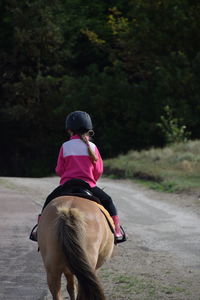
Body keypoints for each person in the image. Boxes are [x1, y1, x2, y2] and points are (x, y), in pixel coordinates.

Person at [30, 111, 127, 243]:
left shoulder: (65, 146)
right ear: (89, 130)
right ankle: (116, 230)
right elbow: (99, 170)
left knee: (48, 201)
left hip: (67, 185)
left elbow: (59, 170)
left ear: (69, 130)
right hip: (88, 185)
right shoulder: (93, 147)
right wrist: (91, 179)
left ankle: (39, 229)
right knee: (108, 202)